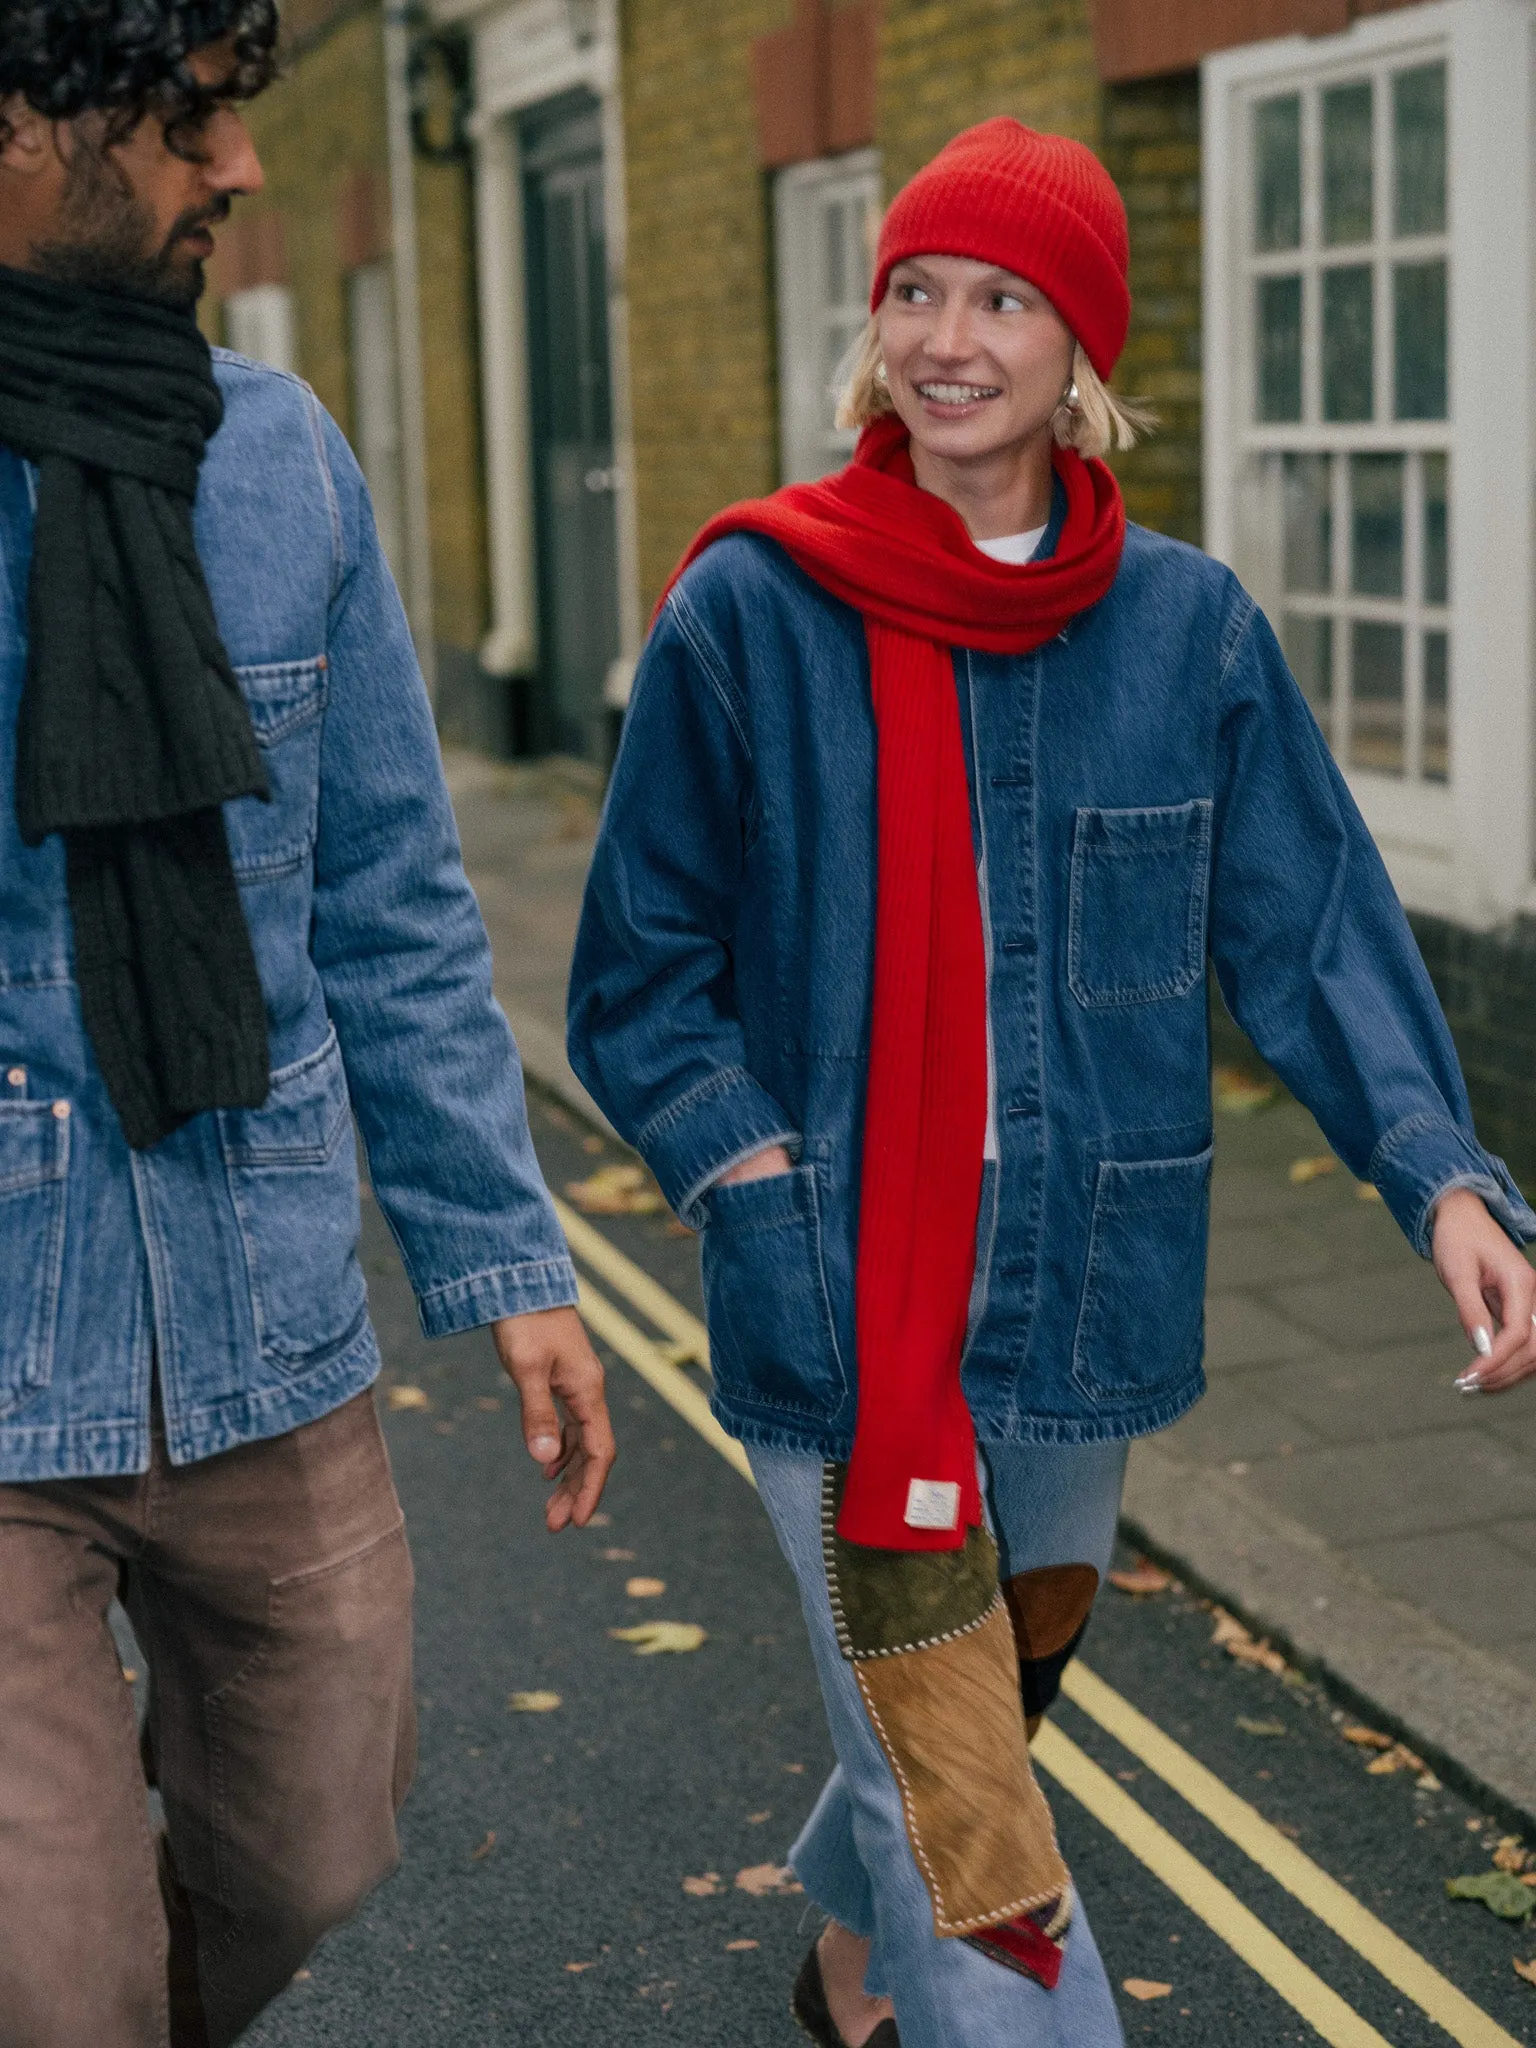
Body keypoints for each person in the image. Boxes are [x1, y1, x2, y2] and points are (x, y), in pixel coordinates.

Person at [567, 118, 1536, 2048]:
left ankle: (849, 1957)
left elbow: (1311, 928)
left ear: (1075, 349)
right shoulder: (754, 612)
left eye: (1001, 297)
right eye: (914, 289)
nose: (947, 335)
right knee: (980, 1830)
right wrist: (755, 1188)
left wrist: (1441, 1180)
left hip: (1086, 1287)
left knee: (996, 1697)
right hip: (845, 1308)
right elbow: (638, 981)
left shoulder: (1186, 631)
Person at [0, 6, 615, 2043]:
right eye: (180, 121)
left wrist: (509, 1257)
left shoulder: (279, 460)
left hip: (264, 1306)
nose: (237, 169)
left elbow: (394, 904)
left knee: (315, 1846)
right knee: (53, 1980)